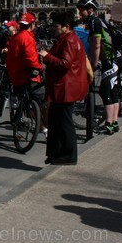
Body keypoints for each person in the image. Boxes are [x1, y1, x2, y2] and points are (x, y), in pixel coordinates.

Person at [39, 11, 88, 165]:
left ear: (66, 27)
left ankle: (68, 154)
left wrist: (47, 56)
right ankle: (56, 153)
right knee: (55, 121)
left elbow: (65, 64)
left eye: (57, 26)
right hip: (62, 87)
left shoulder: (70, 41)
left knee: (64, 122)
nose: (55, 29)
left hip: (66, 87)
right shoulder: (67, 38)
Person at [77, 0, 120, 134]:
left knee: (105, 91)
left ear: (91, 10)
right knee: (112, 91)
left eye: (82, 11)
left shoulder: (94, 22)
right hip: (113, 59)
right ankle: (114, 122)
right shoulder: (99, 21)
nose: (80, 14)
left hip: (109, 60)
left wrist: (94, 63)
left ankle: (109, 124)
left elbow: (96, 44)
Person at [5, 12, 44, 107]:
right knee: (42, 99)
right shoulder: (27, 38)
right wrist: (40, 67)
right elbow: (31, 59)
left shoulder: (15, 37)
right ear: (32, 24)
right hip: (27, 76)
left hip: (15, 75)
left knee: (22, 101)